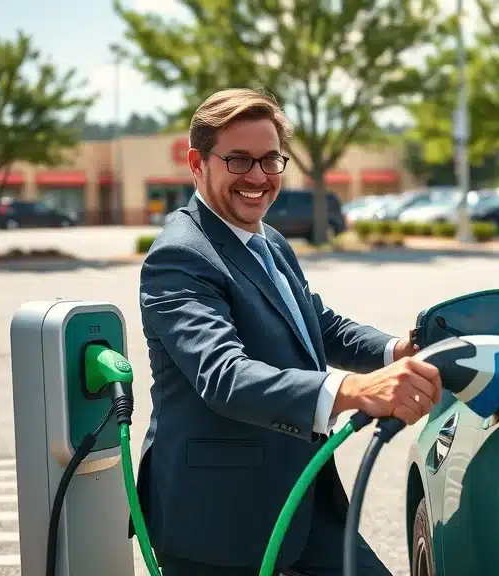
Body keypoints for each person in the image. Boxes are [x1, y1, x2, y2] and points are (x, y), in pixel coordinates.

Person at [133, 87, 443, 575]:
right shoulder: (181, 256)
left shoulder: (269, 240)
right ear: (197, 163)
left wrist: (397, 350)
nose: (258, 177)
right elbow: (225, 376)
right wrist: (356, 390)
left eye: (270, 160)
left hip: (299, 496)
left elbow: (318, 325)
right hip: (218, 521)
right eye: (238, 160)